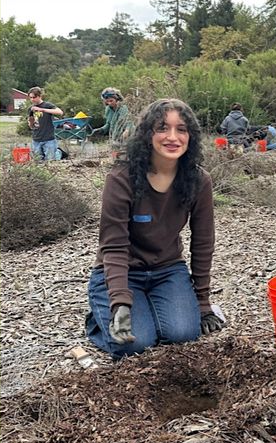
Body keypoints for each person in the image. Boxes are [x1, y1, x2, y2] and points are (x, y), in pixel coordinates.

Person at [85, 98, 226, 357]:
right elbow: (114, 246)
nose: (172, 137)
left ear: (190, 136)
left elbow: (203, 243)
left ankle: (146, 307)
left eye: (181, 129)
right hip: (122, 271)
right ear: (148, 133)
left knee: (183, 334)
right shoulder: (121, 178)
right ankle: (100, 317)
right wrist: (119, 302)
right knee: (135, 345)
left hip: (167, 270)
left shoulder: (198, 180)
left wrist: (203, 303)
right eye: (162, 127)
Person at [26, 86, 64, 161]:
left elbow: (60, 112)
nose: (32, 99)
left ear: (39, 96)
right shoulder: (30, 109)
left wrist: (42, 110)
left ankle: (58, 153)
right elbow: (31, 126)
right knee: (38, 161)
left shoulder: (47, 105)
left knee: (50, 161)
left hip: (48, 138)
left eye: (34, 97)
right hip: (36, 139)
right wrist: (30, 122)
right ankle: (57, 153)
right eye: (30, 98)